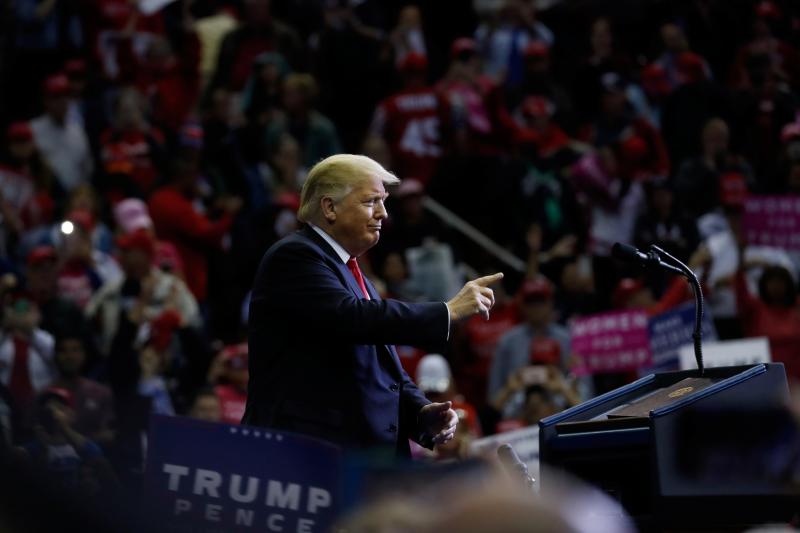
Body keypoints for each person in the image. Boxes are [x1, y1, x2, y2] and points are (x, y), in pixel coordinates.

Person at [243, 154, 503, 456]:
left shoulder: (355, 276)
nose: (383, 214)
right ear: (330, 207)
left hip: (359, 461)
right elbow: (352, 319)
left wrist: (420, 413)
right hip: (308, 458)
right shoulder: (296, 257)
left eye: (384, 202)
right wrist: (448, 310)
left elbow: (380, 366)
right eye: (371, 202)